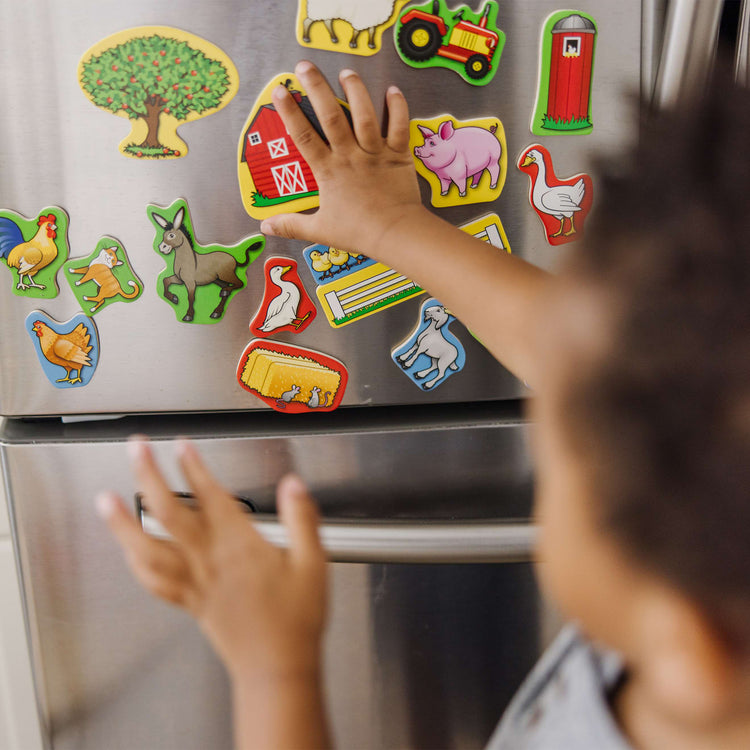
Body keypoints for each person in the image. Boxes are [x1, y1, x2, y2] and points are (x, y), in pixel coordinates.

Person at [96, 61, 750, 749]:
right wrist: (390, 226)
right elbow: (567, 349)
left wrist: (273, 671)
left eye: (555, 461)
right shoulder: (699, 628)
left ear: (689, 648)